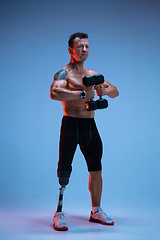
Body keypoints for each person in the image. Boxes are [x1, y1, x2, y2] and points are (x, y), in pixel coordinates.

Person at [50, 32, 119, 231]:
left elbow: (115, 90)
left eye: (87, 46)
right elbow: (54, 92)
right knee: (64, 170)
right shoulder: (64, 73)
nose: (84, 50)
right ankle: (59, 213)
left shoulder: (92, 74)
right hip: (71, 125)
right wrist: (81, 93)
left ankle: (96, 211)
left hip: (90, 127)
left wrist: (106, 90)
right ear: (71, 50)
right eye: (80, 47)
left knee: (96, 169)